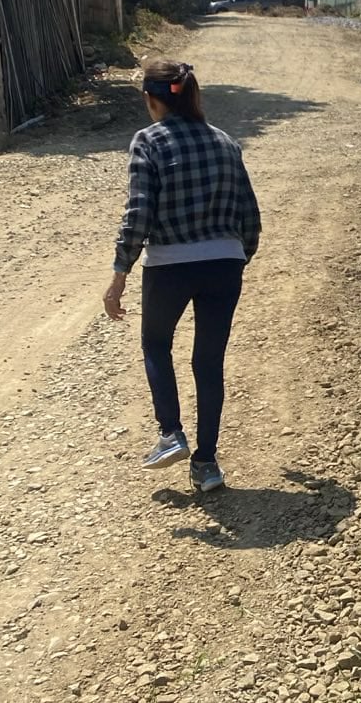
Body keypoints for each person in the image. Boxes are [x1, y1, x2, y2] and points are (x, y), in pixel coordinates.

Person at [103, 58, 261, 493]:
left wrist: (120, 273)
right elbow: (250, 214)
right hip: (224, 263)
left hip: (169, 264)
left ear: (151, 99)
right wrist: (237, 257)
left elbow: (139, 213)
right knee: (208, 362)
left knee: (156, 343)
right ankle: (206, 464)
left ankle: (171, 432)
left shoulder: (148, 141)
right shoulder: (226, 142)